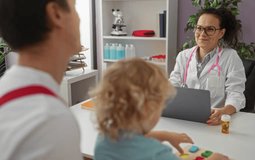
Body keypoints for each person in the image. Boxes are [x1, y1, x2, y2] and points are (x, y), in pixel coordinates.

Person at [91, 58, 229, 160]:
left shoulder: (104, 137)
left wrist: (163, 135)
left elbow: (129, 138)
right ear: (148, 108)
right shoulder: (157, 154)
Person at [0, 0, 83, 159]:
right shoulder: (50, 121)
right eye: (75, 7)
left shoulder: (7, 89)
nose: (79, 19)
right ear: (56, 14)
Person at [169, 8, 246, 125]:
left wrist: (224, 111)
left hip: (214, 121)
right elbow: (172, 87)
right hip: (185, 118)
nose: (202, 34)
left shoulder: (230, 57)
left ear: (221, 33)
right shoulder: (183, 56)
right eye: (199, 28)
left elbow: (236, 94)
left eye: (210, 29)